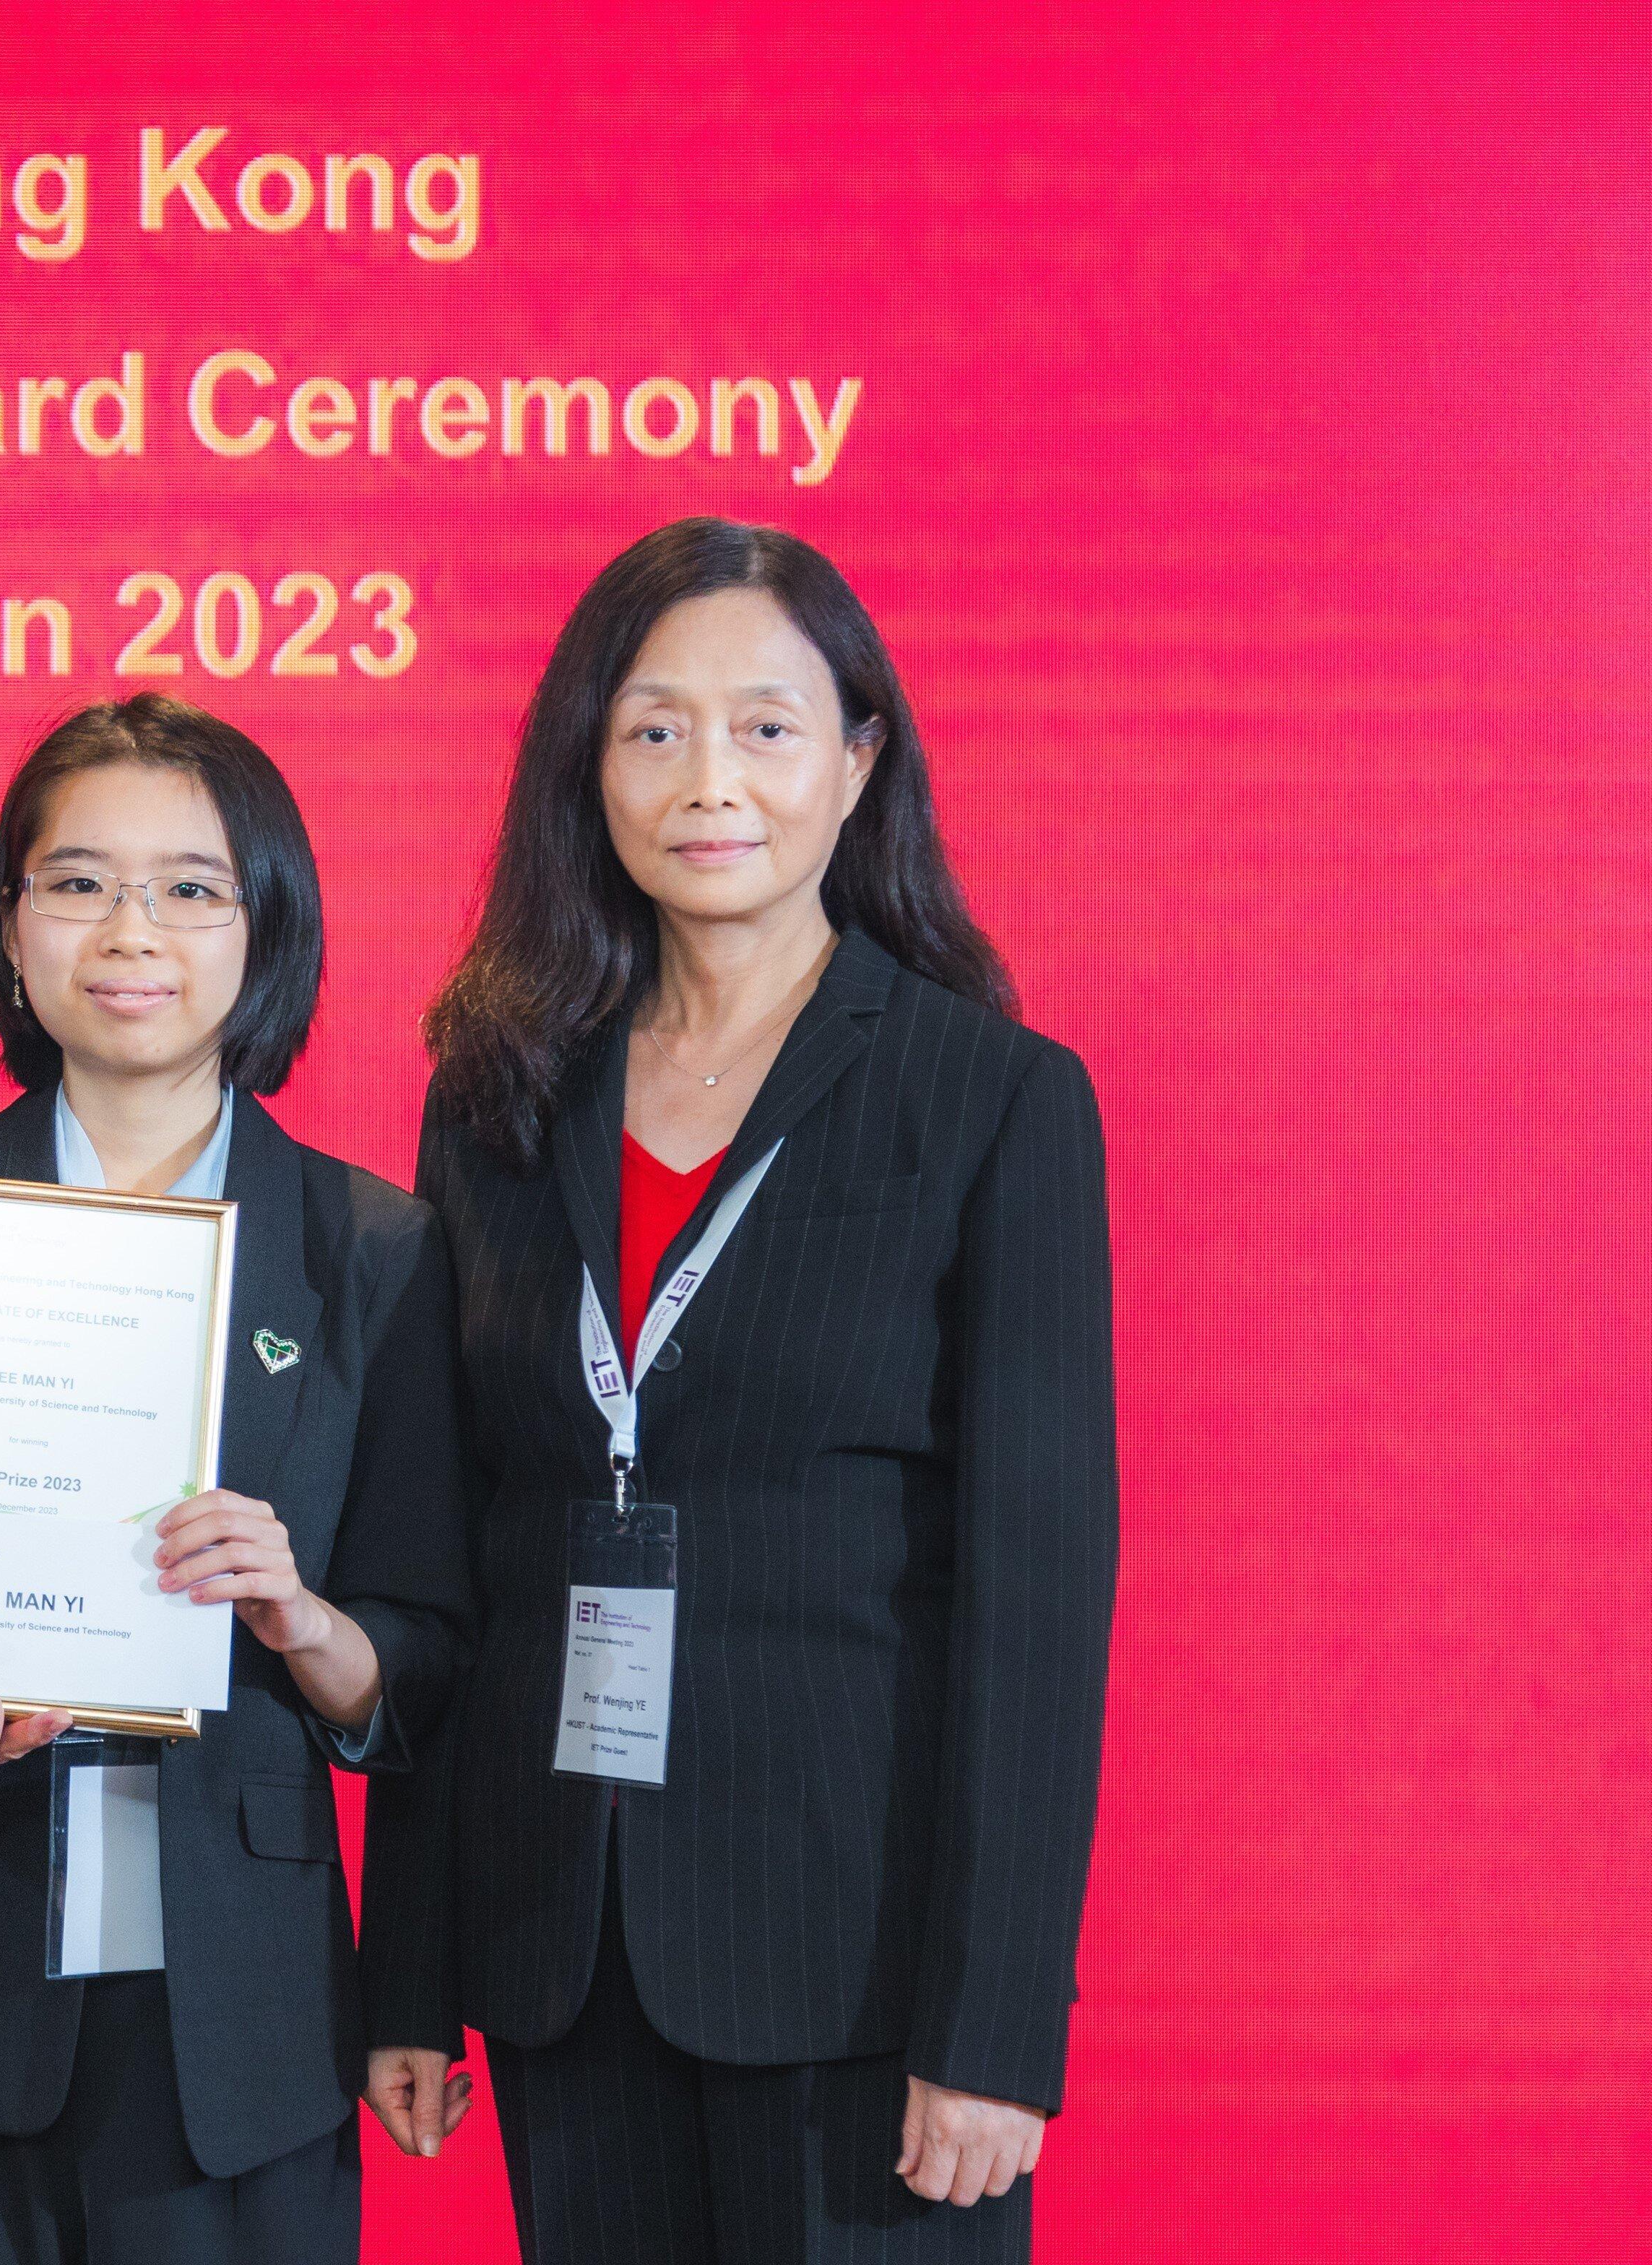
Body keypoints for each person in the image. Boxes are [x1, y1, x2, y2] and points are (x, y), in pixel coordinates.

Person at [359, 519, 1119, 2262]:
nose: (711, 779)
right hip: (566, 1939)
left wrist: (994, 2025)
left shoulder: (990, 1099)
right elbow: (444, 1544)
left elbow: (1037, 1596)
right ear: (589, 764)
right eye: (653, 727)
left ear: (860, 760)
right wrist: (410, 1959)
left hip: (858, 1970)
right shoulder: (497, 1098)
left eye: (768, 726)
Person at [0, 694, 476, 2264]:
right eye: (76, 881)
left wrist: (295, 1609)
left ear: (264, 929)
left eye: (190, 886)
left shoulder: (376, 1250)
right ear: (11, 930)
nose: (129, 928)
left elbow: (418, 1660)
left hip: (246, 2008)